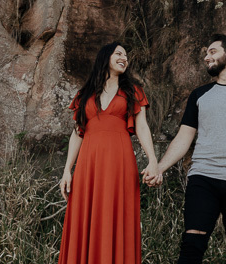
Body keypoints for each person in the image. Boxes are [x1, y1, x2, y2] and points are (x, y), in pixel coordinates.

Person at [145, 33, 226, 264]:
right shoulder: (199, 95)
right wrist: (159, 167)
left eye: (212, 51)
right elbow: (183, 137)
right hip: (204, 177)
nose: (207, 57)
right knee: (192, 245)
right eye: (206, 54)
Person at [58, 42, 160, 264]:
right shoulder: (85, 93)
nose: (124, 58)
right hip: (88, 164)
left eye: (126, 56)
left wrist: (153, 160)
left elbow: (142, 127)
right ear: (106, 57)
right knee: (84, 215)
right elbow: (77, 133)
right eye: (119, 53)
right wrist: (67, 171)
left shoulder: (133, 91)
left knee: (116, 214)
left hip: (119, 161)